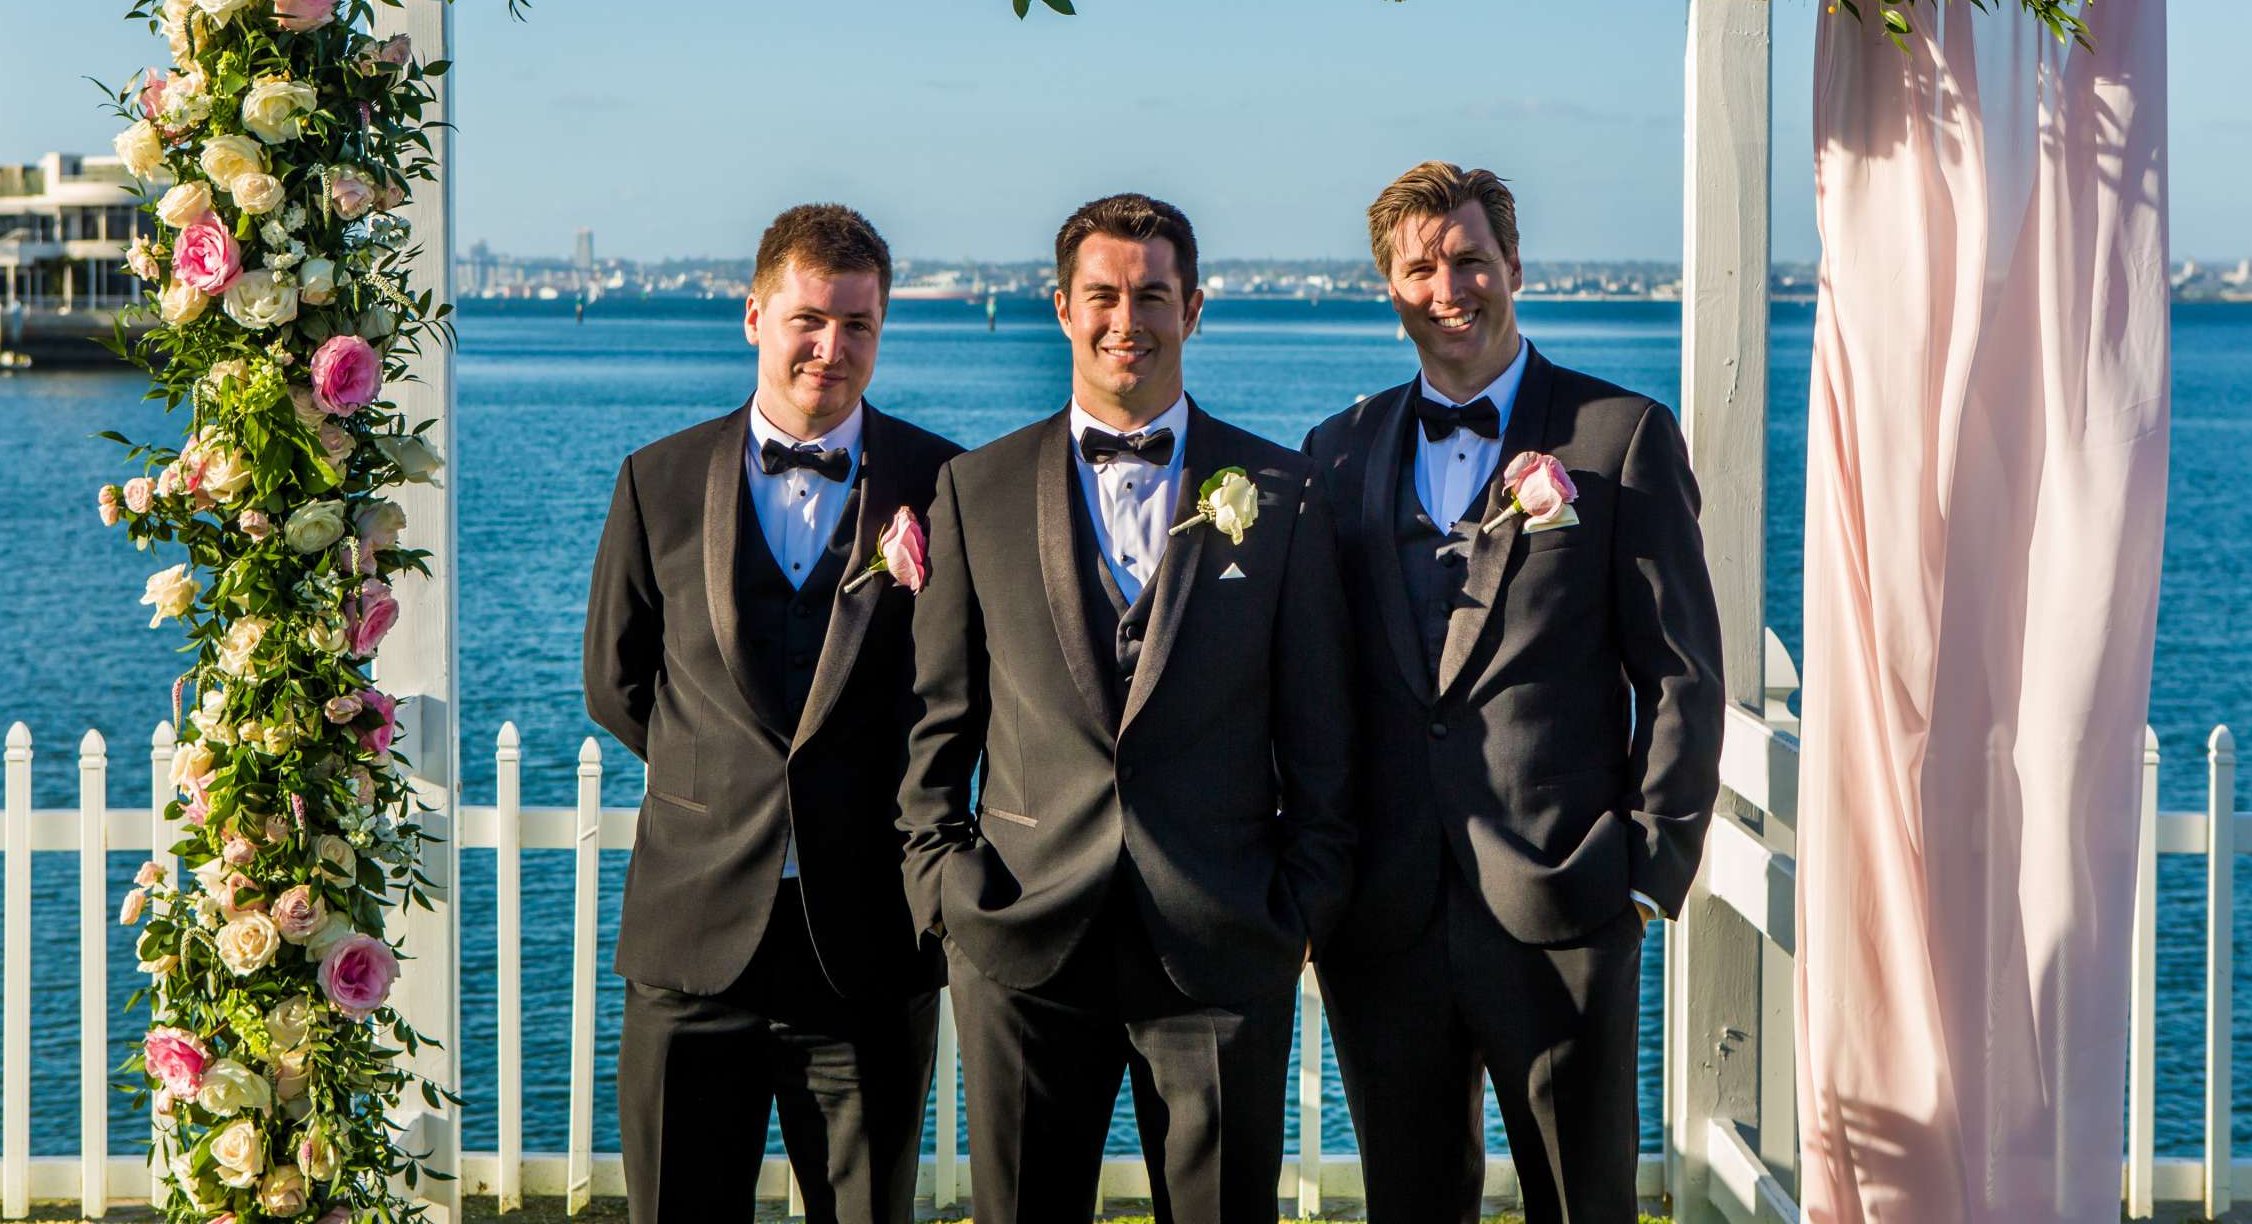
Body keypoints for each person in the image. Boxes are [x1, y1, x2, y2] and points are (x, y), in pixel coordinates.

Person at [898, 192, 1355, 1223]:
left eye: (1153, 294)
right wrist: (949, 893)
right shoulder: (976, 490)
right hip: (1021, 939)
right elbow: (936, 730)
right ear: (1061, 307)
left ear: (1194, 307)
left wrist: (1299, 906)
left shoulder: (1281, 493)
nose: (1126, 318)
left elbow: (1321, 733)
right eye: (1102, 294)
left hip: (1222, 942)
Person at [1303, 161, 1726, 1224]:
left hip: (1566, 904)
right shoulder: (1338, 451)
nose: (1450, 286)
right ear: (1390, 288)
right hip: (1383, 918)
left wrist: (1644, 870)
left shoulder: (1618, 436)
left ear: (1515, 267)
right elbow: (1310, 681)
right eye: (1422, 267)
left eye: (1471, 260)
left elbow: (1681, 672)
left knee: (1582, 1204)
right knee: (1409, 1202)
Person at [584, 202, 960, 1224]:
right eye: (808, 318)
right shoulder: (655, 482)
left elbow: (961, 694)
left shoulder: (945, 485)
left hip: (870, 941)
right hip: (692, 938)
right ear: (755, 315)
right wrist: (723, 781)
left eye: (859, 324)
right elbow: (615, 682)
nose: (831, 348)